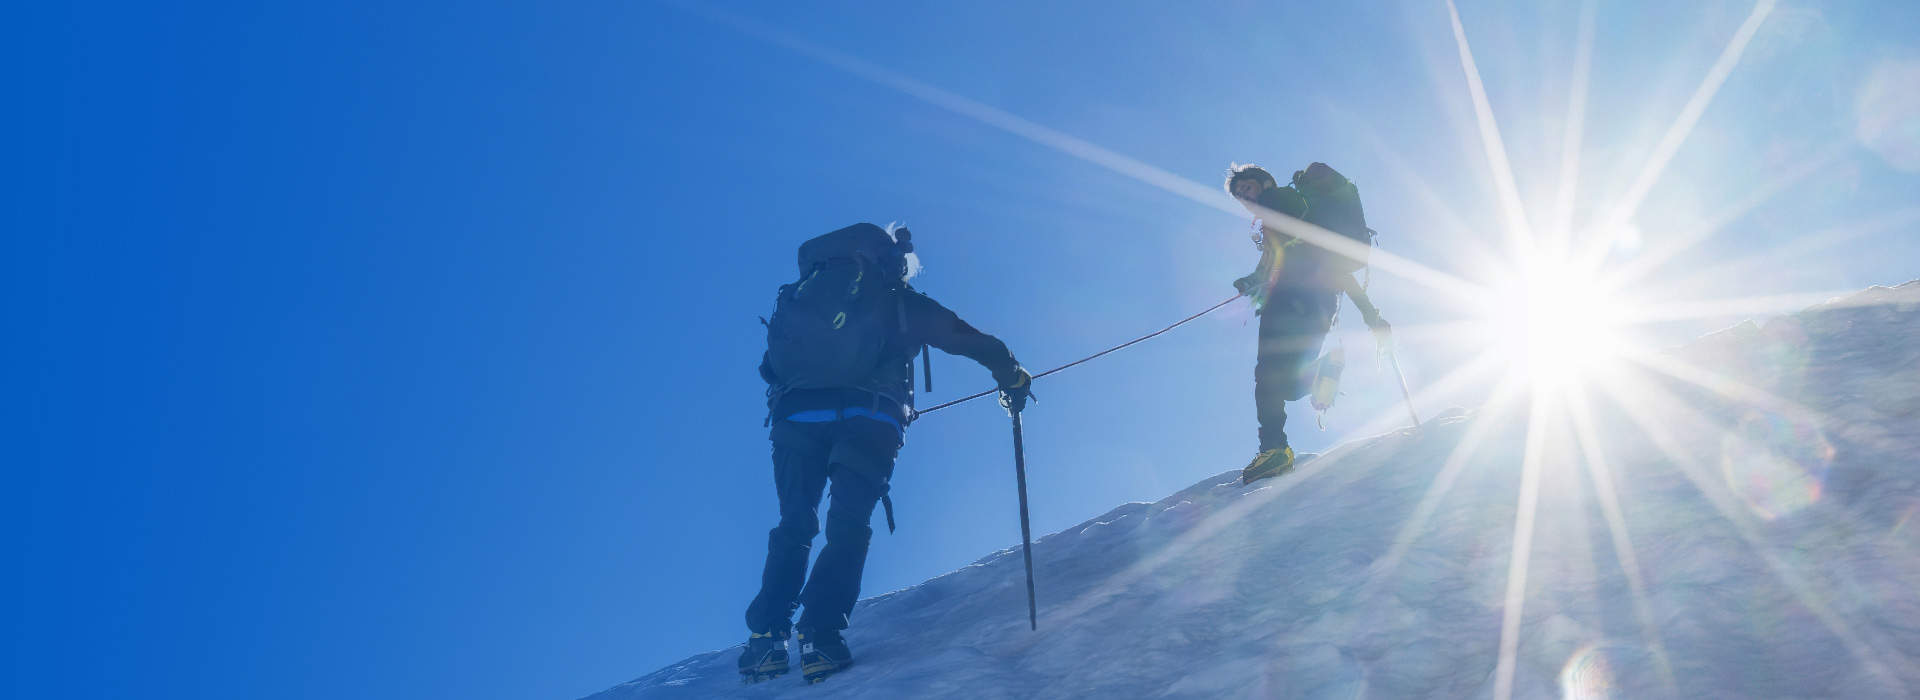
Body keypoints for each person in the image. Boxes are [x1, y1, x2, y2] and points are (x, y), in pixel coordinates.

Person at [740, 223, 1031, 685]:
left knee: (795, 524)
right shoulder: (899, 301)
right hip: (868, 419)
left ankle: (764, 643)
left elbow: (768, 367)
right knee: (848, 524)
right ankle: (819, 638)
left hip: (796, 420)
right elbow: (966, 338)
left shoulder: (803, 297)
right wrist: (1011, 374)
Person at [1225, 163, 1389, 484]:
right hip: (1321, 304)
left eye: (1247, 187)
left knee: (1268, 376)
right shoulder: (1289, 207)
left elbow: (1283, 256)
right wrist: (1371, 316)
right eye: (1240, 194)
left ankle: (1274, 450)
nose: (1245, 196)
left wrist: (1256, 280)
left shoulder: (1276, 201)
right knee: (1284, 384)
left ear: (1264, 182)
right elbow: (1330, 262)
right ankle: (1323, 369)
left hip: (1292, 300)